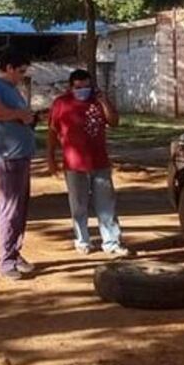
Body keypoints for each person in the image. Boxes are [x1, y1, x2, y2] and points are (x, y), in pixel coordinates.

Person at [47, 69, 130, 257]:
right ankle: (82, 240)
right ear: (71, 87)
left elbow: (114, 121)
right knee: (79, 206)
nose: (82, 90)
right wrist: (51, 157)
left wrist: (103, 101)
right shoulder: (61, 103)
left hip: (99, 161)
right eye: (78, 87)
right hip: (74, 164)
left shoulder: (98, 101)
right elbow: (52, 132)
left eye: (86, 86)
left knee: (106, 205)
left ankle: (111, 242)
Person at [0, 49, 37, 280]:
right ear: (10, 68)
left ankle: (14, 251)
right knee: (10, 209)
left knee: (20, 209)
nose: (23, 76)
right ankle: (6, 260)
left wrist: (30, 118)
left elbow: (18, 116)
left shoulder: (13, 90)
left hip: (21, 155)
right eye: (21, 71)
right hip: (7, 157)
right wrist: (19, 115)